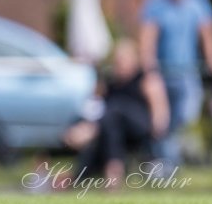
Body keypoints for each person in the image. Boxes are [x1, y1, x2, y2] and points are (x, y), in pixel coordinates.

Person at [139, 0, 212, 173]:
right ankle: (166, 165)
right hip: (162, 76)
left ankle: (168, 163)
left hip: (187, 75)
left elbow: (208, 36)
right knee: (161, 122)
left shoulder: (198, 2)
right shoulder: (156, 3)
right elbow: (147, 41)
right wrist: (149, 72)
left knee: (185, 117)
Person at [69, 38, 170, 186]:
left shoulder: (146, 79)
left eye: (123, 59)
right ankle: (74, 179)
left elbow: (159, 108)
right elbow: (95, 106)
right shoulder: (110, 83)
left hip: (141, 128)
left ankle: (92, 135)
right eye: (117, 60)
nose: (120, 63)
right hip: (115, 131)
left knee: (115, 108)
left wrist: (159, 125)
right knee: (108, 126)